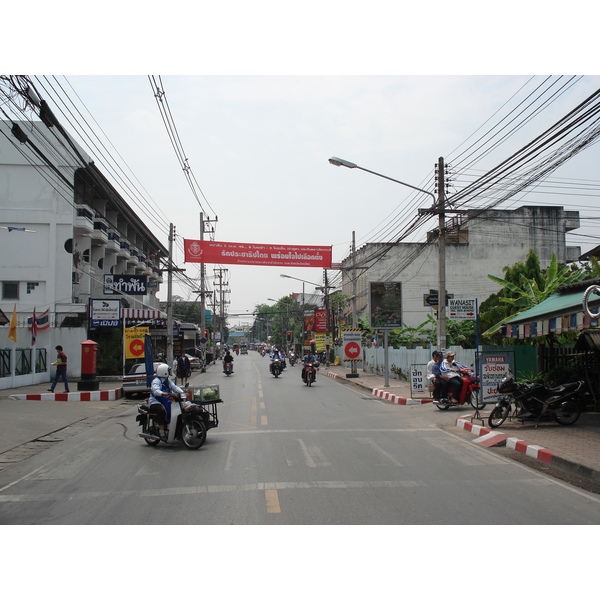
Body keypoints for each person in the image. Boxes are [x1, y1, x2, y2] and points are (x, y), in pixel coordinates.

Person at [149, 364, 184, 439]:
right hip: (156, 402)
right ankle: (161, 432)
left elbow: (174, 387)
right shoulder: (156, 381)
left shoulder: (167, 380)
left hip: (165, 401)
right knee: (162, 411)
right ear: (164, 371)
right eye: (168, 370)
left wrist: (182, 392)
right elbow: (156, 390)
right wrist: (162, 393)